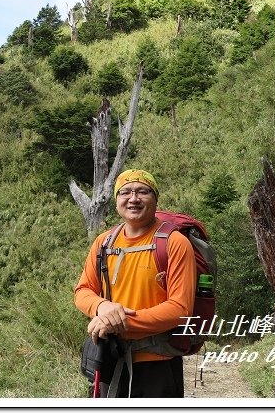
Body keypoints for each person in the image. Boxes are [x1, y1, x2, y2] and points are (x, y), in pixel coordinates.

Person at [74, 169, 196, 398]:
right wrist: (102, 307)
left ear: (155, 198)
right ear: (116, 200)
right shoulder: (104, 242)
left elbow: (180, 309)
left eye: (143, 191)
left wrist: (119, 322)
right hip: (110, 360)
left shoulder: (175, 243)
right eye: (125, 192)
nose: (133, 198)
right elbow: (83, 291)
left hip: (158, 363)